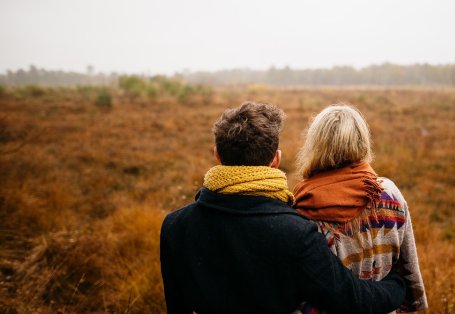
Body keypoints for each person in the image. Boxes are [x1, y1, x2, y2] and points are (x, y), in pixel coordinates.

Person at [160, 102, 409, 314]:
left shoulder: (174, 226)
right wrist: (397, 285)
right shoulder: (296, 231)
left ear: (216, 154)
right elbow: (352, 299)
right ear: (276, 159)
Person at [293, 104, 428, 313]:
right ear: (362, 142)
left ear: (315, 145)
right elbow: (408, 270)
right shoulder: (389, 193)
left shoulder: (306, 206)